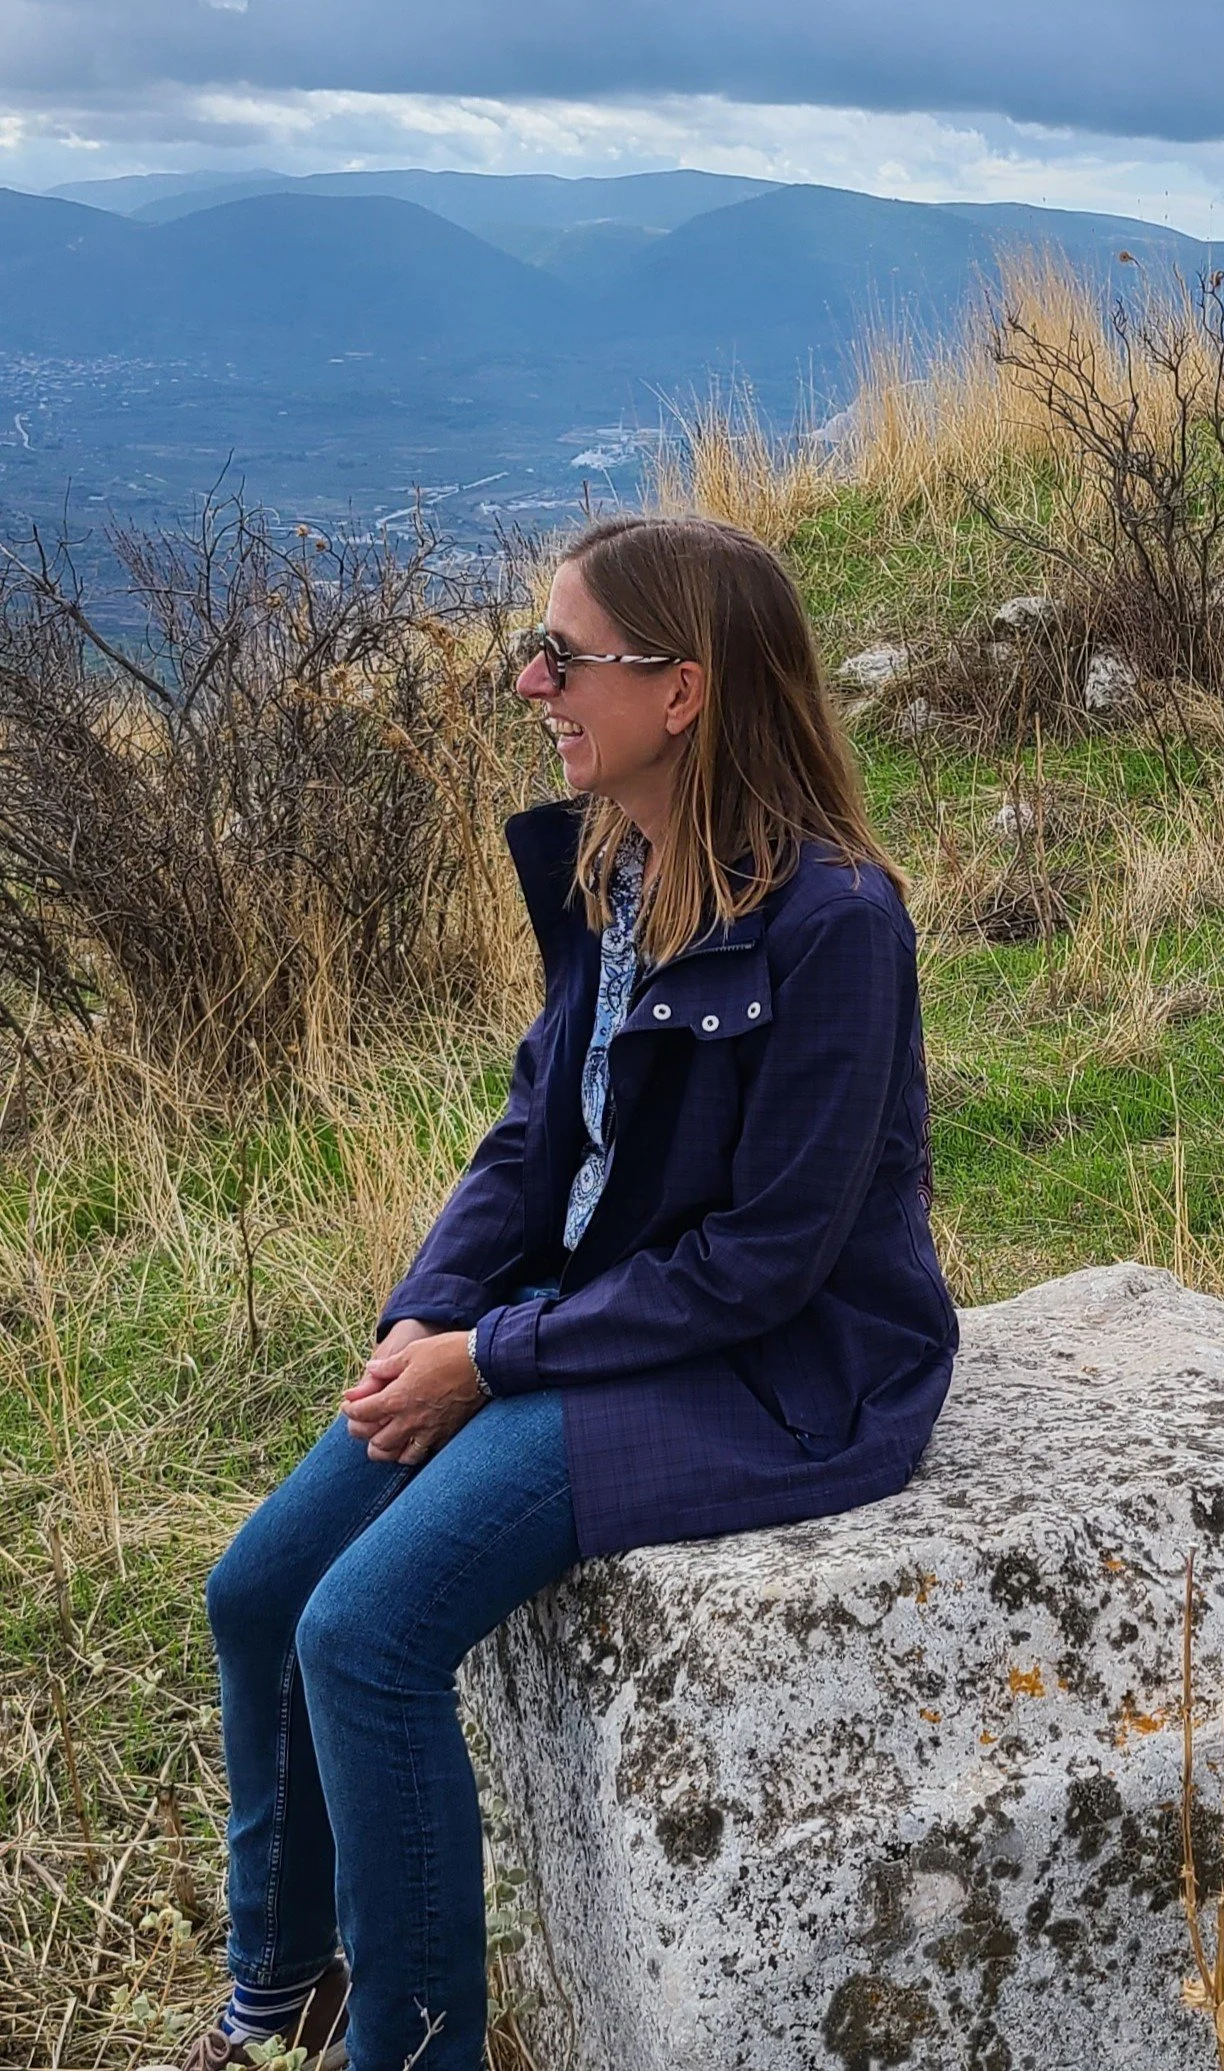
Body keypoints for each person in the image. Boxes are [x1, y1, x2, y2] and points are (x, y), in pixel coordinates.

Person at [186, 515, 958, 2070]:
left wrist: (498, 1354)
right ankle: (281, 1992)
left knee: (367, 1632)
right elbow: (537, 1128)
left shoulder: (834, 924)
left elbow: (768, 1259)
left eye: (565, 654)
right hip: (597, 1311)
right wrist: (430, 1312)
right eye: (532, 647)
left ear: (682, 690)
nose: (532, 679)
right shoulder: (619, 869)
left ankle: (409, 2051)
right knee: (260, 1592)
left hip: (779, 1368)